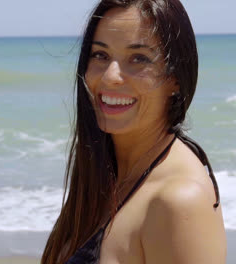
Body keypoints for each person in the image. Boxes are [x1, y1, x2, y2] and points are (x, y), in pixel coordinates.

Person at [42, 0, 226, 263]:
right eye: (100, 55)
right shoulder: (104, 176)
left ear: (175, 78)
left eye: (138, 58)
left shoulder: (178, 201)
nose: (110, 76)